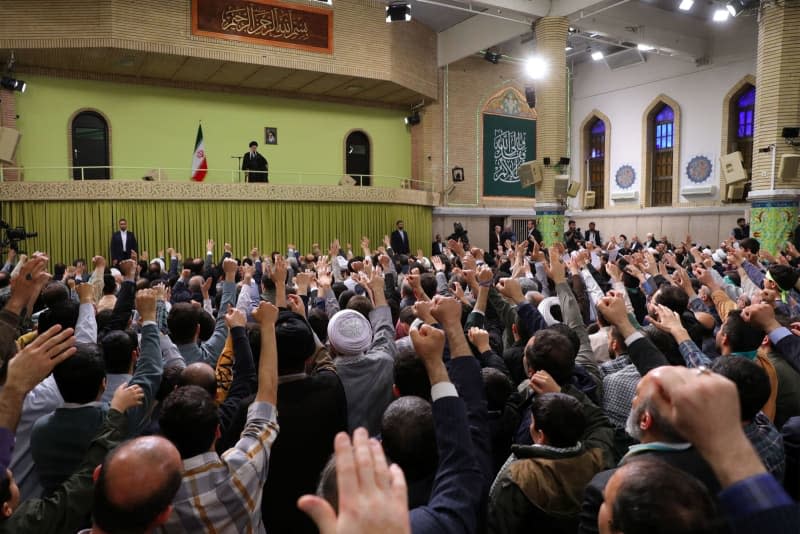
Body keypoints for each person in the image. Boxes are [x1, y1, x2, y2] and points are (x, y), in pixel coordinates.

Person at [158, 300, 280, 532]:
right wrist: (267, 326)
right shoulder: (243, 468)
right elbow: (265, 391)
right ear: (217, 430)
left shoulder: (151, 499)